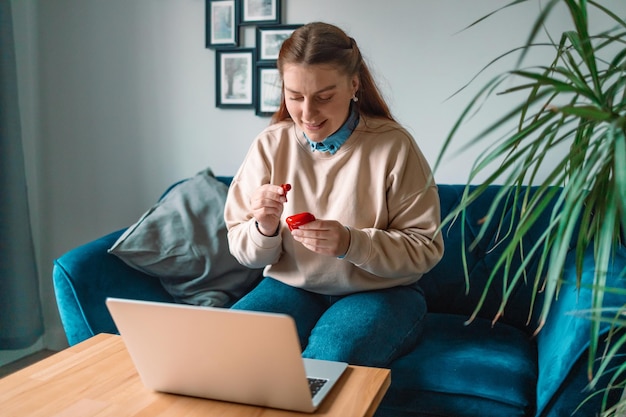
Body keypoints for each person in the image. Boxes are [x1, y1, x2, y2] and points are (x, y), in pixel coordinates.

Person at [223, 22, 444, 367]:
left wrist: (350, 243)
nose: (307, 114)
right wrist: (263, 228)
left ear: (354, 84)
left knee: (330, 359)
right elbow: (244, 251)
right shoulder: (270, 144)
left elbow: (425, 249)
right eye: (295, 97)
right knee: (229, 347)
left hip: (382, 292)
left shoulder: (394, 146)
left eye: (323, 97)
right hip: (291, 288)